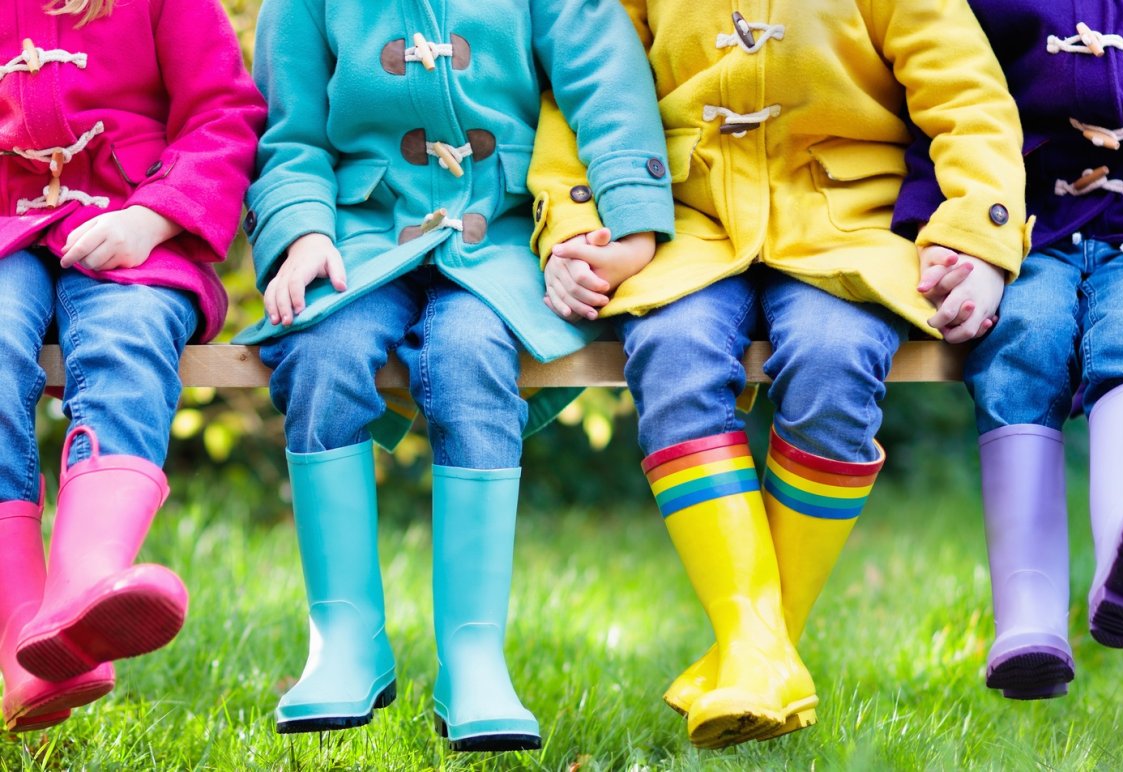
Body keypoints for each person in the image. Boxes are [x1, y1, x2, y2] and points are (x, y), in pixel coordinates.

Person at [529, 0, 1028, 748]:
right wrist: (571, 229)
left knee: (835, 358)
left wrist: (980, 234)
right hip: (681, 219)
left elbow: (967, 96)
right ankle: (759, 646)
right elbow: (581, 84)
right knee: (674, 351)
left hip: (845, 221)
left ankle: (754, 652)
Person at [239, 0, 674, 752]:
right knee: (320, 352)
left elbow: (607, 85)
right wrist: (301, 229)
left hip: (500, 231)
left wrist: (628, 219)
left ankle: (474, 657)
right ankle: (344, 637)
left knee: (470, 355)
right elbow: (290, 134)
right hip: (357, 232)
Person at [896, 3, 1123, 700]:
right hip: (1022, 233)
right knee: (1020, 340)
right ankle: (1027, 620)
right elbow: (949, 107)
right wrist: (954, 236)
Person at [0, 0, 263, 732]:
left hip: (135, 222)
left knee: (128, 338)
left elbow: (224, 114)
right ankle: (25, 639)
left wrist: (154, 217)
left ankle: (85, 588)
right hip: (6, 231)